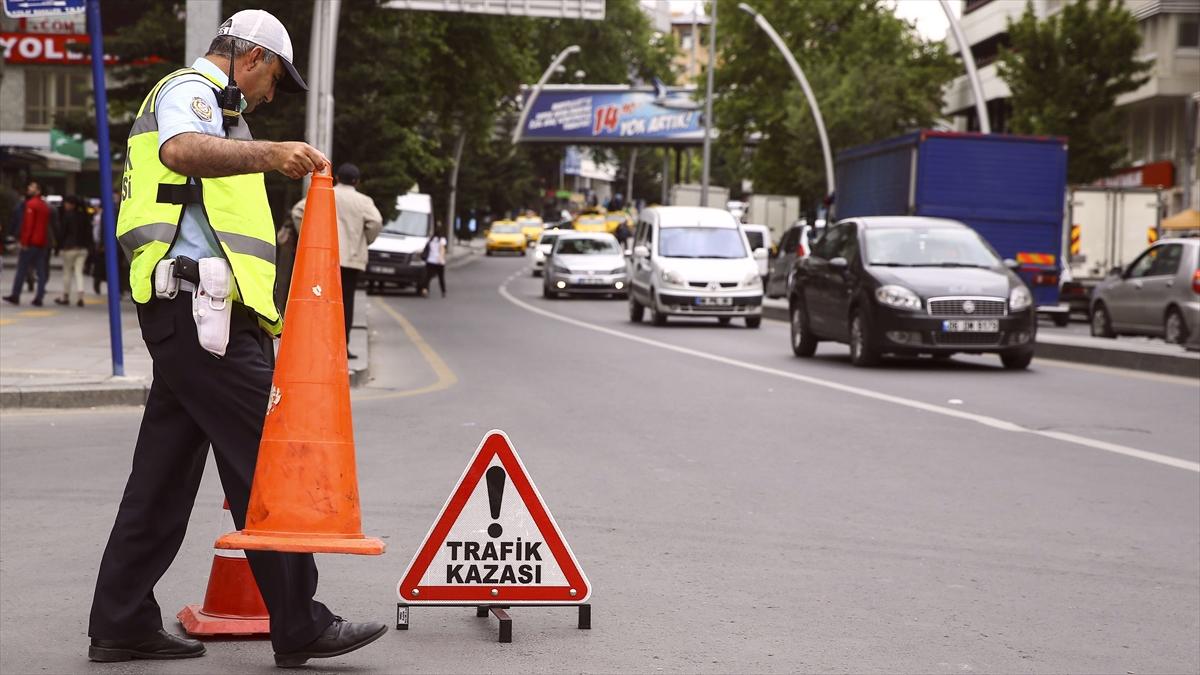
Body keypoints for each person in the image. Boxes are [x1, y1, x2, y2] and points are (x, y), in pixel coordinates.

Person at [87, 10, 385, 668]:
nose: (272, 95)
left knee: (161, 479)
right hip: (202, 313)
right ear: (249, 57)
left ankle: (121, 620)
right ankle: (300, 622)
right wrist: (272, 153)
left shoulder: (222, 114)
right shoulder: (189, 92)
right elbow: (179, 153)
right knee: (270, 466)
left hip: (196, 315)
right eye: (274, 78)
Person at [291, 162, 381, 358]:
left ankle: (316, 345)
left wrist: (308, 237)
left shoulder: (325, 193)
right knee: (345, 303)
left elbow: (298, 211)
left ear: (337, 178)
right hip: (351, 259)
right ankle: (342, 347)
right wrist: (364, 240)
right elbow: (376, 222)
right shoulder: (364, 201)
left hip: (324, 257)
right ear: (357, 181)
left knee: (320, 299)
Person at [3, 181, 52, 306]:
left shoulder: (31, 205)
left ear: (38, 190)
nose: (29, 188)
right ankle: (39, 296)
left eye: (32, 187)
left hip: (31, 242)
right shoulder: (45, 206)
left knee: (22, 269)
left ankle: (15, 295)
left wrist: (24, 242)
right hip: (42, 242)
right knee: (41, 271)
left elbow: (28, 226)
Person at [54, 195, 94, 307]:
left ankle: (65, 296)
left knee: (67, 272)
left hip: (69, 248)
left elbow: (62, 233)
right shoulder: (85, 216)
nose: (65, 205)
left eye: (67, 203)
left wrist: (58, 248)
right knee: (78, 272)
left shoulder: (68, 216)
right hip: (82, 248)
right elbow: (89, 234)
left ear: (72, 204)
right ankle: (80, 295)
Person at [421, 226, 448, 297]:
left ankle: (425, 289)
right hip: (439, 262)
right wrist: (441, 257)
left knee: (428, 276)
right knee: (441, 277)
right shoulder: (442, 240)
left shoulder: (431, 240)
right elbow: (442, 249)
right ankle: (443, 291)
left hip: (430, 261)